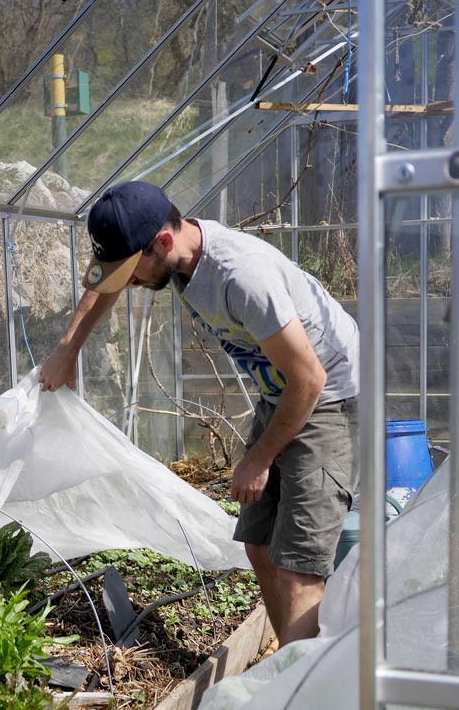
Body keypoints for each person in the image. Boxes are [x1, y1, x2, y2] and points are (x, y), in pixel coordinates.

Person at [39, 180, 359, 648]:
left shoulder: (242, 278)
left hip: (329, 395)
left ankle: (306, 694)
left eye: (131, 271)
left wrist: (259, 459)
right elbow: (105, 285)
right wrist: (68, 351)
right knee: (261, 547)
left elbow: (310, 380)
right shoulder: (170, 255)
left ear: (163, 242)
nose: (128, 282)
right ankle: (291, 660)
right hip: (283, 393)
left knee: (298, 568)